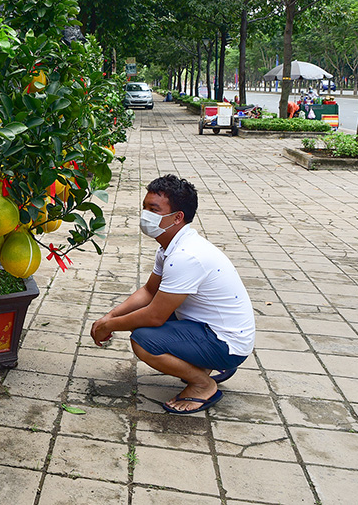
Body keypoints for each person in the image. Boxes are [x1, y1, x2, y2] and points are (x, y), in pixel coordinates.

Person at [91, 175, 255, 414]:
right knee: (140, 314)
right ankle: (205, 365)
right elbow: (149, 291)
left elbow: (155, 316)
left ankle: (203, 384)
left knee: (143, 340)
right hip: (210, 328)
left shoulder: (186, 256)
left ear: (178, 217)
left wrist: (110, 326)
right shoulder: (171, 246)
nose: (145, 214)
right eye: (144, 207)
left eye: (154, 210)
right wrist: (108, 317)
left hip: (227, 343)